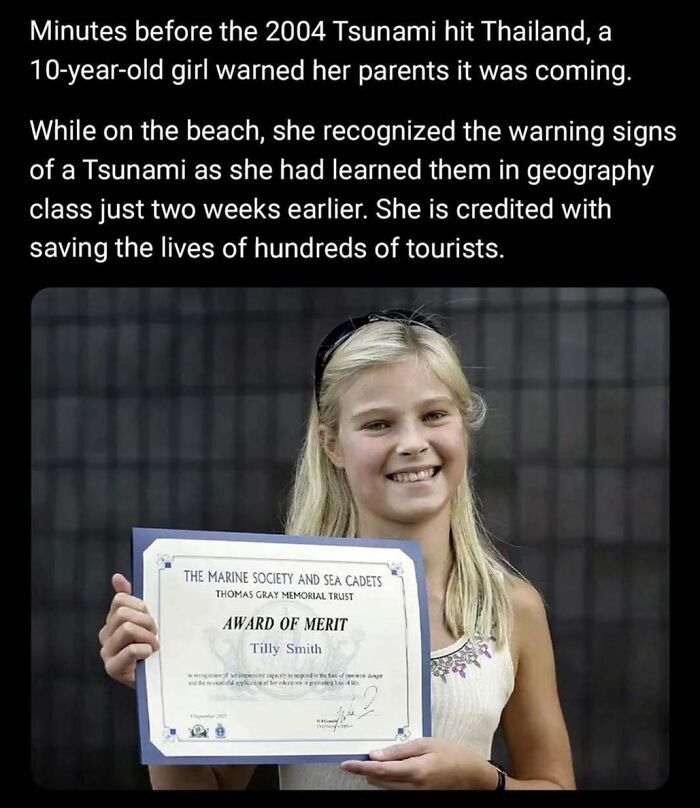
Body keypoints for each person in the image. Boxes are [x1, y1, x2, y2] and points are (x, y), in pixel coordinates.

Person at [98, 308, 576, 790]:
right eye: (378, 424)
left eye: (433, 415)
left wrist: (480, 781)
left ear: (462, 424)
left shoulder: (510, 609)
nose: (412, 443)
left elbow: (557, 784)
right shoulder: (270, 602)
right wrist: (161, 697)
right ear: (333, 445)